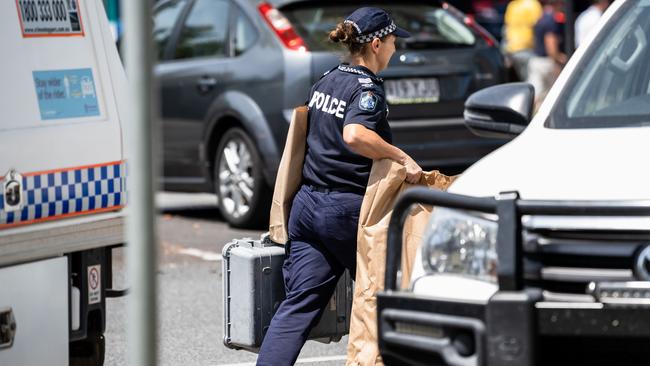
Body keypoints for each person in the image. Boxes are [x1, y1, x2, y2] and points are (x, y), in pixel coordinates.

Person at [256, 7, 422, 366]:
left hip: (307, 209)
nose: (396, 50)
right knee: (384, 295)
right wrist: (401, 157)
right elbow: (355, 134)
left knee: (298, 306)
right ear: (376, 44)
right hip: (346, 212)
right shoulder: (367, 89)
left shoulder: (328, 78)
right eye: (393, 42)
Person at [527, 0, 566, 107]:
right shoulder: (551, 21)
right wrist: (560, 58)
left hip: (536, 60)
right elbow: (551, 45)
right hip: (547, 62)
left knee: (536, 95)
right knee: (553, 96)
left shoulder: (541, 18)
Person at [503, 0, 543, 81]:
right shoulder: (533, 4)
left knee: (523, 79)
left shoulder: (512, 5)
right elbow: (539, 25)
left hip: (512, 49)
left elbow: (506, 27)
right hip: (528, 47)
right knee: (532, 80)